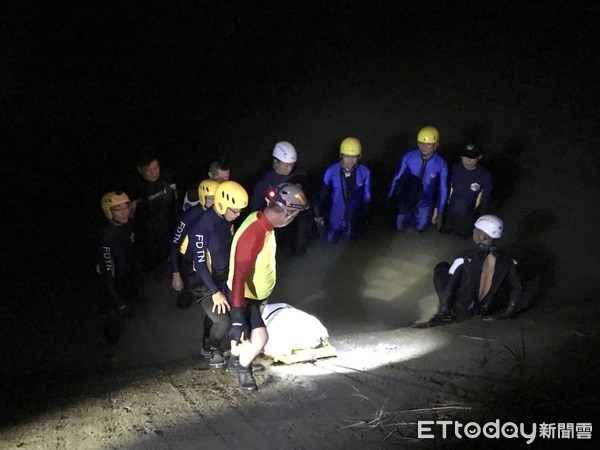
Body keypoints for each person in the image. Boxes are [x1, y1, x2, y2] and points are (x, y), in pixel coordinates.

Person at [227, 182, 309, 390]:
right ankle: (243, 368)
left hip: (254, 293)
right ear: (288, 214)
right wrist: (237, 317)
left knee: (246, 336)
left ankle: (235, 359)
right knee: (260, 337)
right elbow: (238, 277)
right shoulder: (253, 234)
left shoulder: (262, 221)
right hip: (244, 294)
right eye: (294, 215)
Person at [187, 181, 248, 368]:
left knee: (234, 311)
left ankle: (209, 342)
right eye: (235, 211)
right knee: (222, 319)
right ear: (221, 204)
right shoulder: (201, 226)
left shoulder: (226, 219)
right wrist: (214, 291)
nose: (238, 215)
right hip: (202, 281)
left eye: (240, 211)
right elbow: (199, 262)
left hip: (223, 276)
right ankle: (214, 348)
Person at [427, 214, 522, 326]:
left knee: (441, 268)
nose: (473, 231)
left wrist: (442, 313)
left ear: (481, 236)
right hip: (484, 310)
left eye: (476, 229)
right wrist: (507, 313)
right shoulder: (509, 260)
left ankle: (447, 314)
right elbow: (517, 288)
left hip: (461, 310)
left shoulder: (465, 256)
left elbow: (450, 287)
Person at [250, 141, 316, 255]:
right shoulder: (265, 182)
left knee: (298, 246)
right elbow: (255, 206)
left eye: (292, 164)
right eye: (286, 165)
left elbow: (310, 197)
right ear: (276, 162)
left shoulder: (300, 175)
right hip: (276, 223)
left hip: (296, 220)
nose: (290, 168)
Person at [170, 178, 221, 310]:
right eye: (211, 198)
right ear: (203, 198)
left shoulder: (220, 214)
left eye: (217, 197)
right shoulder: (190, 216)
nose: (215, 202)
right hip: (186, 262)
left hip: (205, 260)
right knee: (184, 299)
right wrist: (176, 273)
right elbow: (174, 243)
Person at [388, 126, 449, 232]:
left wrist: (439, 211)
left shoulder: (441, 164)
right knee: (400, 227)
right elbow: (397, 178)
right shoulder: (409, 156)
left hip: (425, 203)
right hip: (407, 199)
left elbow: (443, 189)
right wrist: (390, 197)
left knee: (421, 229)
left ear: (436, 145)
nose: (423, 147)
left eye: (428, 144)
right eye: (421, 143)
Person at [126, 153, 178, 276]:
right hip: (148, 238)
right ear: (140, 170)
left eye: (156, 168)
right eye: (148, 170)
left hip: (168, 230)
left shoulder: (167, 179)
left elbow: (175, 203)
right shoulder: (135, 189)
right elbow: (130, 216)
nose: (153, 173)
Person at [314, 137, 372, 243]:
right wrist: (319, 214)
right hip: (334, 217)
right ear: (341, 156)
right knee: (330, 241)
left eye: (354, 157)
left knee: (350, 242)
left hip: (352, 216)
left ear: (359, 157)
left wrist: (365, 215)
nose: (350, 160)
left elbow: (367, 196)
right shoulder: (331, 171)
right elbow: (322, 195)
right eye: (347, 156)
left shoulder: (365, 172)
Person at [97, 192, 136, 344]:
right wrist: (117, 300)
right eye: (118, 209)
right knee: (113, 315)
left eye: (126, 207)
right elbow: (106, 271)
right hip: (112, 282)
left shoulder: (128, 224)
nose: (124, 211)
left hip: (127, 275)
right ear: (108, 212)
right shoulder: (106, 237)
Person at [441, 144, 493, 238]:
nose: (467, 160)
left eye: (472, 157)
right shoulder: (454, 169)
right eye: (465, 156)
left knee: (463, 236)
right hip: (448, 212)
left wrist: (480, 222)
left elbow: (485, 200)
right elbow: (443, 189)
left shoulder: (484, 176)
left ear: (479, 157)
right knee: (444, 232)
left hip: (467, 216)